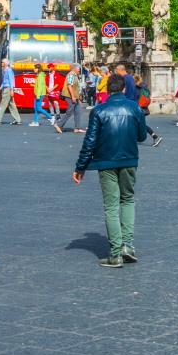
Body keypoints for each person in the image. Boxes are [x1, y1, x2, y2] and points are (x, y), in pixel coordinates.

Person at [73, 74, 158, 268]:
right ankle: (127, 245)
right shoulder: (134, 108)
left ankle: (115, 253)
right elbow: (142, 135)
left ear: (107, 90)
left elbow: (90, 142)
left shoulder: (99, 111)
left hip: (106, 161)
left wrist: (80, 167)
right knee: (127, 199)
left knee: (111, 206)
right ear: (124, 89)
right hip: (129, 159)